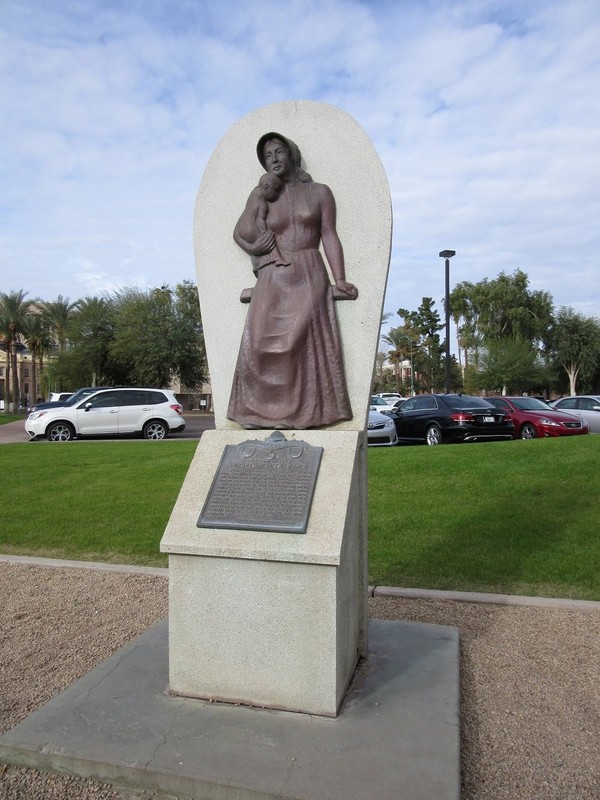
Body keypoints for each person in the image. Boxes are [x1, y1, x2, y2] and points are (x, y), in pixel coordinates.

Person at [227, 132, 358, 429]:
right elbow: (239, 232)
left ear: (292, 154)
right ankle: (258, 414)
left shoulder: (320, 192)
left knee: (300, 343)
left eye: (278, 152)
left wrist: (340, 279)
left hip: (308, 270)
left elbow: (329, 236)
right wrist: (252, 249)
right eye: (267, 155)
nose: (273, 159)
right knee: (260, 345)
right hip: (273, 274)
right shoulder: (262, 193)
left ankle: (308, 413)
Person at [234, 173, 290, 273]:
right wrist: (264, 232)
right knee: (268, 239)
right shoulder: (262, 204)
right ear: (266, 187)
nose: (277, 194)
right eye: (276, 190)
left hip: (243, 228)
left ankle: (259, 264)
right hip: (250, 229)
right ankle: (279, 259)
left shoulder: (253, 195)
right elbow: (260, 220)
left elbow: (237, 231)